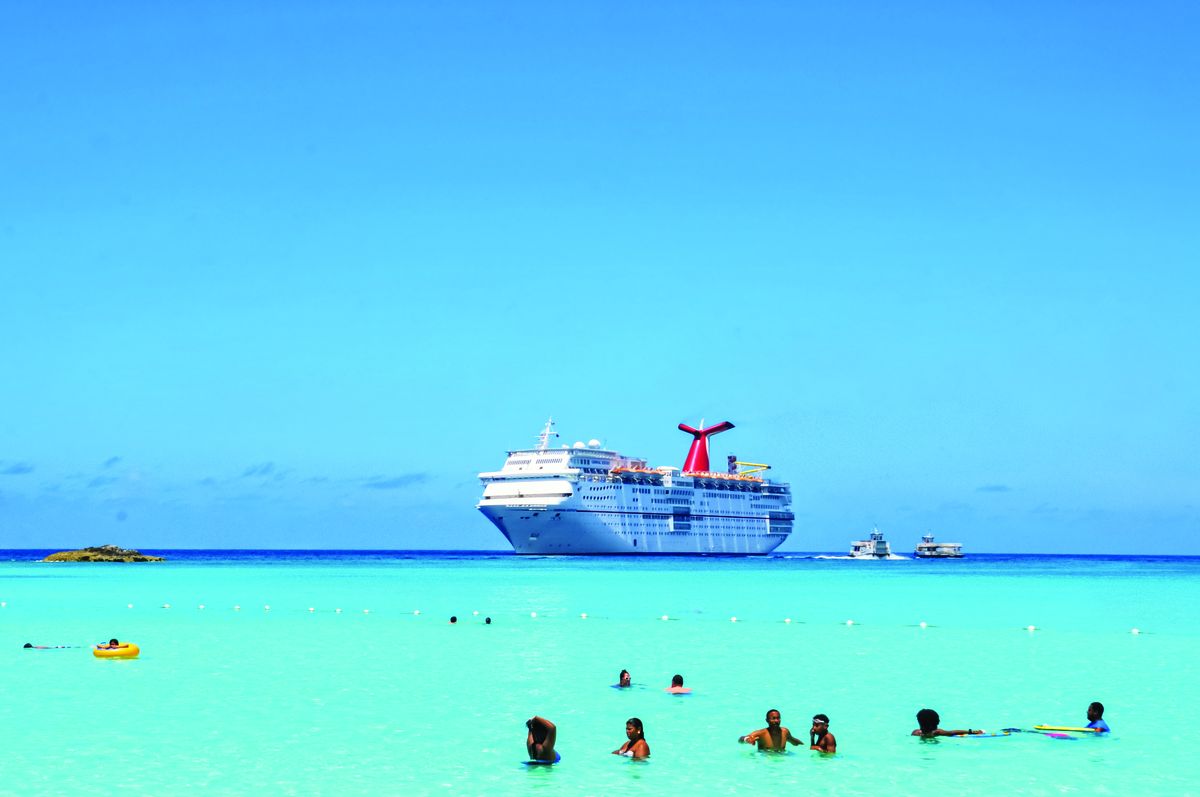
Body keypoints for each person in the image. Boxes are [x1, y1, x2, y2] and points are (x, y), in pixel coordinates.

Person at [738, 709, 804, 751]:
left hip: (782, 761)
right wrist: (747, 739)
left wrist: (805, 746)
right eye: (773, 718)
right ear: (767, 720)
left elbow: (794, 742)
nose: (776, 721)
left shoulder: (785, 732)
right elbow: (740, 740)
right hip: (765, 761)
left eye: (778, 718)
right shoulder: (761, 733)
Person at [912, 708, 983, 737]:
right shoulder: (937, 732)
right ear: (936, 722)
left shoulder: (916, 732)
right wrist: (972, 732)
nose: (939, 720)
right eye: (938, 719)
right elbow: (953, 732)